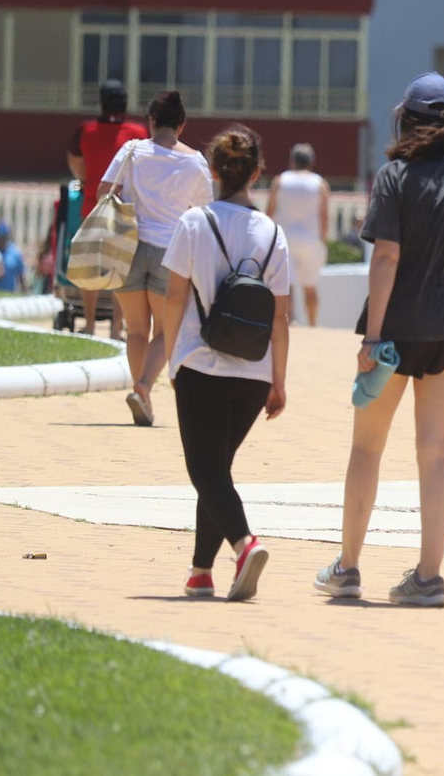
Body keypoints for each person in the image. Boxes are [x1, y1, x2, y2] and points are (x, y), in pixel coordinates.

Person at [315, 74, 444, 607]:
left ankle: (347, 568)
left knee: (367, 447)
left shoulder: (393, 177)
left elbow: (386, 257)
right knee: (435, 454)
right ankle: (428, 578)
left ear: (406, 119)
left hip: (398, 330)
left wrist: (374, 335)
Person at [161, 126, 290, 602]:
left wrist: (172, 360)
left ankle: (244, 543)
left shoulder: (194, 222)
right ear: (256, 172)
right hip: (254, 374)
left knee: (206, 470)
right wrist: (279, 381)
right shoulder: (273, 233)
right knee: (217, 469)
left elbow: (175, 298)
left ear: (212, 171)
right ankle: (199, 571)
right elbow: (281, 318)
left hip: (201, 365)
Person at [100, 90, 214, 426]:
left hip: (129, 248)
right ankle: (144, 386)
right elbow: (205, 213)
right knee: (167, 331)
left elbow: (102, 192)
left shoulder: (132, 150)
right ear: (182, 125)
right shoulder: (194, 161)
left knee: (135, 330)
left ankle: (143, 397)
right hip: (171, 252)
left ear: (151, 121)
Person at [68, 79, 148, 339]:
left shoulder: (86, 130)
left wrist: (85, 179)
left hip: (93, 204)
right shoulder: (136, 131)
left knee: (90, 266)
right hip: (124, 208)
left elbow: (75, 161)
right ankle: (116, 327)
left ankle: (90, 325)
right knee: (120, 268)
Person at [266, 143, 330, 327]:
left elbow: (270, 211)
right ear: (312, 162)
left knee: (287, 287)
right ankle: (313, 325)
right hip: (311, 240)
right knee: (310, 288)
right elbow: (324, 215)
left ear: (292, 161)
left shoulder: (280, 181)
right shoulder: (320, 183)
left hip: (284, 239)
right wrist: (322, 241)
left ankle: (289, 323)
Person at [0, 222, 28, 294]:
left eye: (4, 236)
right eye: (0, 236)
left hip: (9, 293)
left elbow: (21, 275)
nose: (2, 239)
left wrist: (25, 291)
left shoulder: (15, 253)